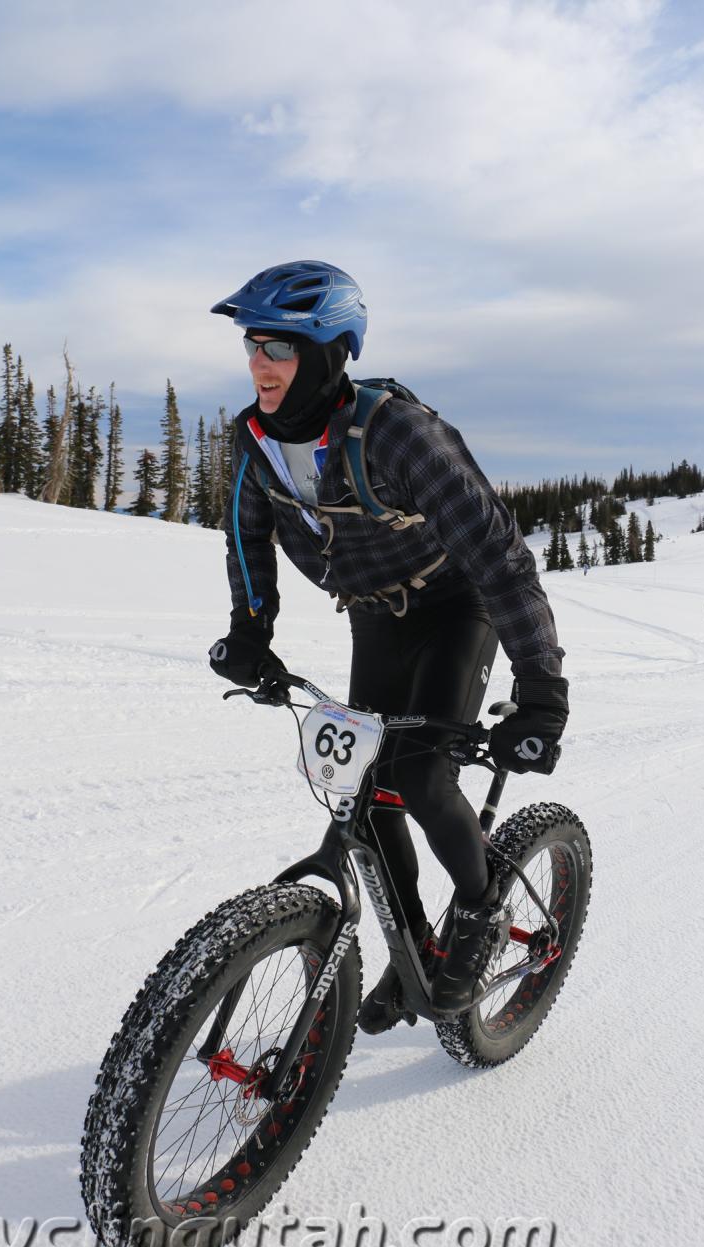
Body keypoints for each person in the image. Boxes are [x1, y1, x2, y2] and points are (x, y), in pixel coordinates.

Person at [208, 260, 568, 1032]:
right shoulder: (255, 438)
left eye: (277, 347)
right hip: (372, 612)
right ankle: (418, 954)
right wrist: (249, 631)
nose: (257, 364)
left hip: (453, 604)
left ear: (330, 352)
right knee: (361, 790)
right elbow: (247, 536)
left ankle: (476, 916)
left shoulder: (399, 434)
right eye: (251, 345)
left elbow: (499, 559)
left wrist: (541, 690)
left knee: (418, 772)